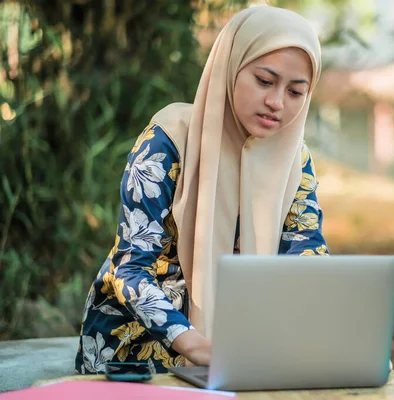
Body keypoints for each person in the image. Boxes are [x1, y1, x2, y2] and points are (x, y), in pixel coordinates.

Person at [75, 5, 329, 374]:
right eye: (264, 81)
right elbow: (129, 270)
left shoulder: (294, 159)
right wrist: (192, 341)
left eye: (295, 91)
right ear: (230, 67)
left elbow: (306, 257)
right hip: (138, 347)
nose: (277, 103)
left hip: (243, 349)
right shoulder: (167, 142)